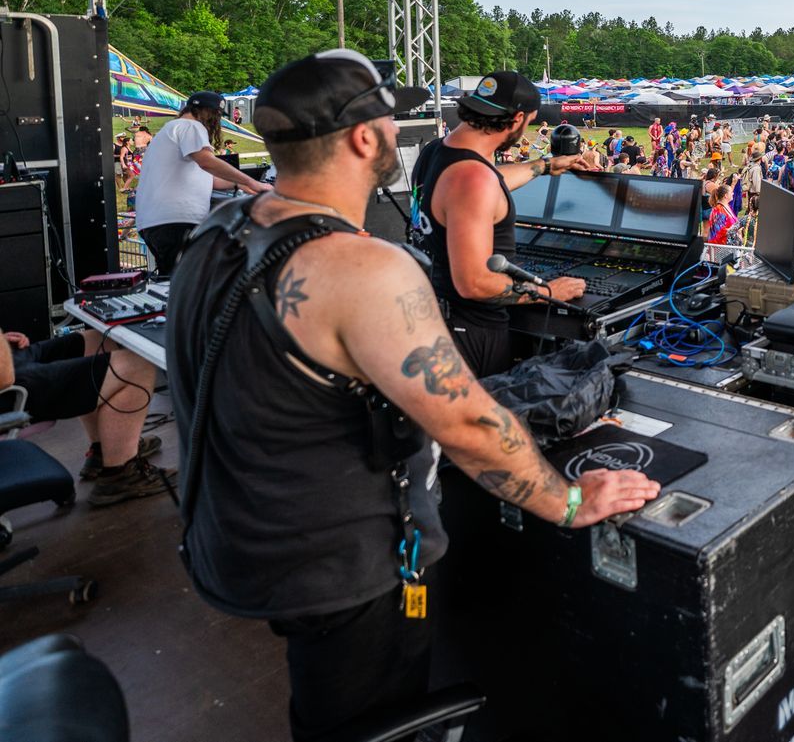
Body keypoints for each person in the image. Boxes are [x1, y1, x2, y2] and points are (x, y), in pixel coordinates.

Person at [167, 50, 660, 741]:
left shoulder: (218, 233)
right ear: (362, 138)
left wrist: (543, 168)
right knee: (366, 713)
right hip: (346, 569)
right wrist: (571, 501)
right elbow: (469, 425)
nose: (398, 130)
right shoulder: (365, 269)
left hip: (243, 541)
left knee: (326, 703)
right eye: (388, 119)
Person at [411, 69, 589, 378]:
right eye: (529, 122)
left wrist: (545, 165)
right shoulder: (473, 179)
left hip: (437, 317)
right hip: (471, 335)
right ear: (518, 119)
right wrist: (547, 291)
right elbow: (474, 282)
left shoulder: (437, 152)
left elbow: (485, 182)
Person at [0, 323, 170, 504]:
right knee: (139, 365)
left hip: (12, 364)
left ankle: (106, 450)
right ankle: (121, 474)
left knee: (97, 341)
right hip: (8, 387)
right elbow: (5, 378)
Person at [133, 90, 269, 275]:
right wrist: (253, 183)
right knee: (191, 279)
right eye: (216, 114)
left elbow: (209, 179)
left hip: (157, 221)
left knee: (173, 279)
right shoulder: (191, 126)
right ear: (205, 112)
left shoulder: (171, 129)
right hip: (177, 220)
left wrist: (240, 184)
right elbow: (207, 162)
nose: (217, 120)